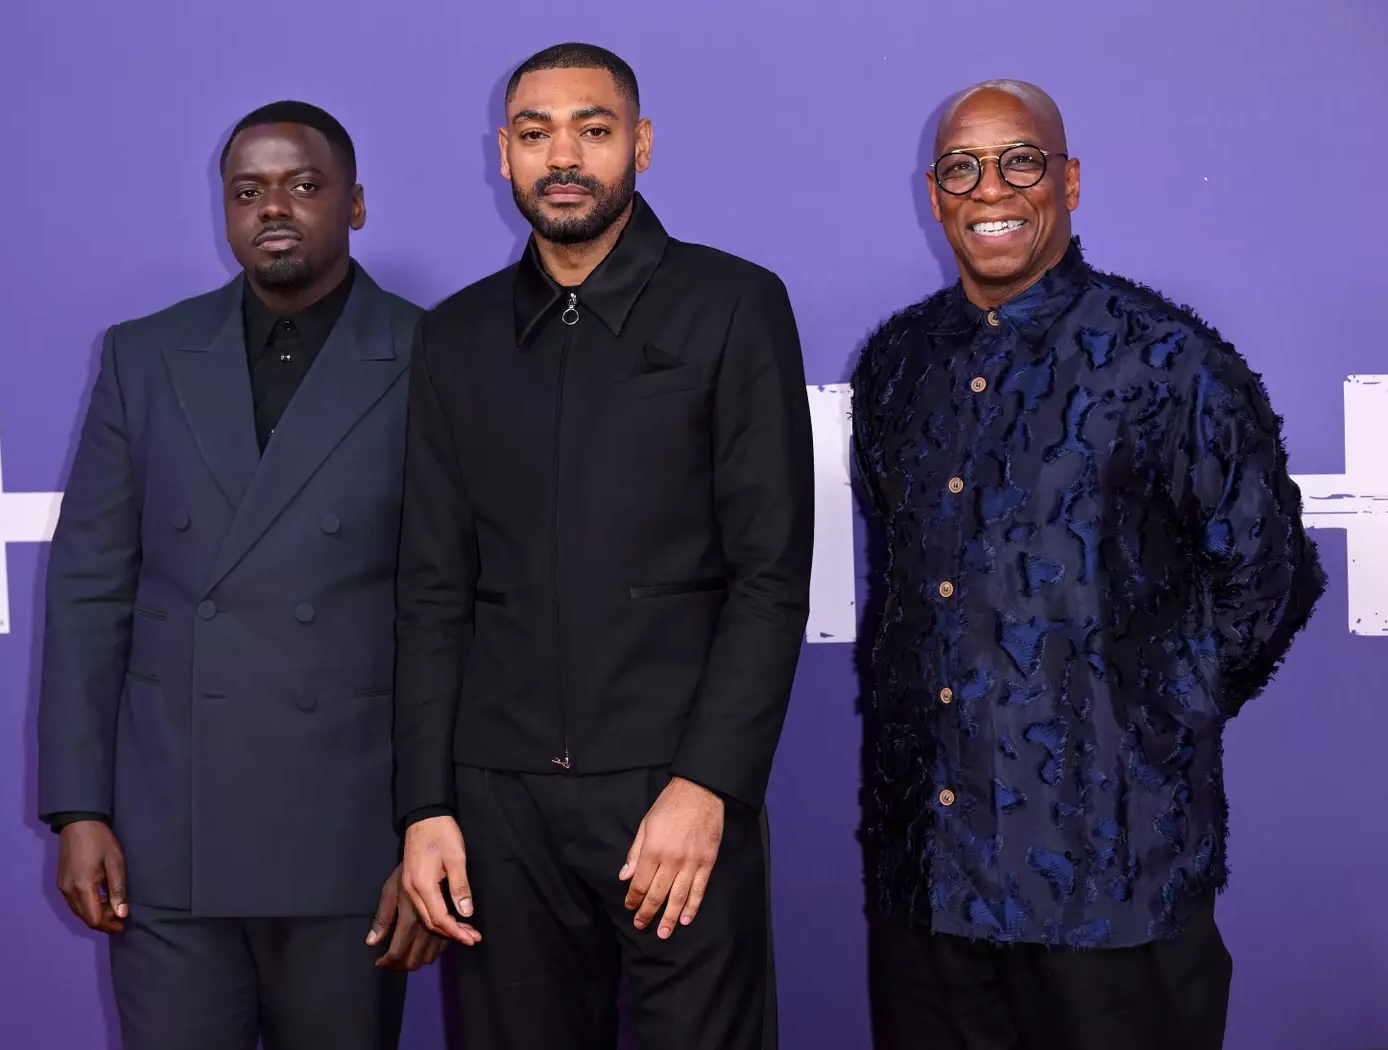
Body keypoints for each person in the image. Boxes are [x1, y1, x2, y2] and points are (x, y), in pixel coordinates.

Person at [851, 80, 1325, 1050]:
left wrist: (1149, 708)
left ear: (1066, 180)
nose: (991, 189)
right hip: (929, 893)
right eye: (960, 168)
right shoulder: (896, 366)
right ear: (935, 195)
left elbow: (1271, 571)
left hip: (1114, 892)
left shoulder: (1164, 361)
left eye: (1018, 160)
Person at [394, 41, 814, 1050]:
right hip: (500, 811)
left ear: (642, 144)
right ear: (505, 155)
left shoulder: (732, 305)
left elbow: (770, 575)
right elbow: (432, 589)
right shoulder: (454, 337)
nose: (564, 156)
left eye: (593, 128)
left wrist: (708, 784)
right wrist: (427, 805)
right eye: (536, 134)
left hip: (671, 794)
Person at [38, 100, 440, 1050]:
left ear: (356, 205)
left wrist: (433, 825)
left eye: (305, 186)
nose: (275, 209)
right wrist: (78, 809)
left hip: (351, 835)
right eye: (248, 191)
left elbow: (450, 609)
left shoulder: (436, 352)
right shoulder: (143, 355)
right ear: (223, 212)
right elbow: (91, 589)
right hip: (170, 835)